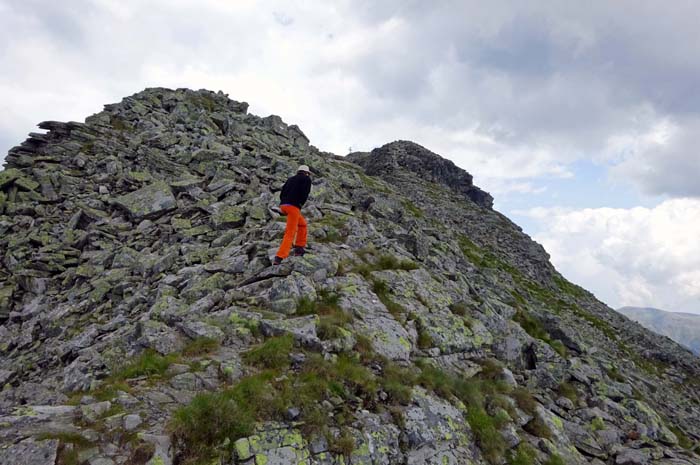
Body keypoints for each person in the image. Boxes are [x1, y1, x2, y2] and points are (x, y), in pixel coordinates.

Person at [273, 165, 312, 265]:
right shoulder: (306, 179)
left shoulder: (290, 179)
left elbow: (282, 193)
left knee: (302, 224)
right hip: (293, 207)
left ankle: (299, 248)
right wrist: (299, 204)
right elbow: (305, 194)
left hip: (284, 205)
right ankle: (279, 257)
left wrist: (284, 202)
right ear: (306, 173)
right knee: (290, 232)